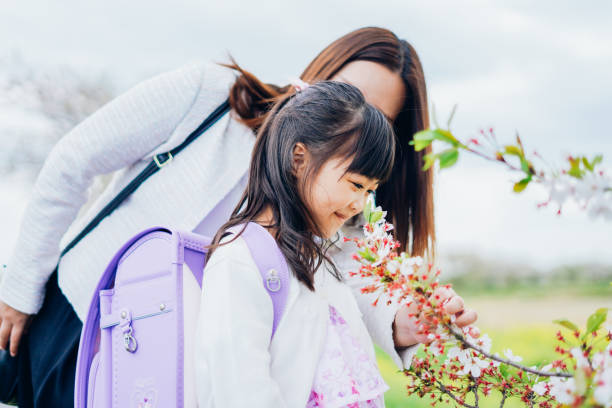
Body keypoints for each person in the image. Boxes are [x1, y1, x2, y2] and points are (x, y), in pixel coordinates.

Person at [0, 27, 476, 406]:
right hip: (77, 315)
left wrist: (399, 323)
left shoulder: (334, 206)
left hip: (169, 370)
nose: (357, 124)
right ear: (313, 79)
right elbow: (74, 159)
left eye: (378, 118)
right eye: (345, 92)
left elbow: (353, 278)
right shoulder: (207, 95)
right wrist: (20, 289)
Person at [197, 80, 396, 407]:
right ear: (298, 159)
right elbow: (243, 395)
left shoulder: (319, 264)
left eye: (369, 191)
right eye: (355, 184)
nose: (360, 203)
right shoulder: (239, 261)